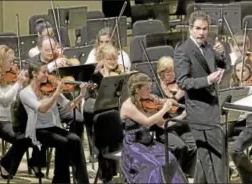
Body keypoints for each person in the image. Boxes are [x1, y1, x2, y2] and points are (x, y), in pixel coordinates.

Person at [174, 11, 227, 183]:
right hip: (198, 109)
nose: (201, 33)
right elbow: (183, 82)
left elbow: (222, 66)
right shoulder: (183, 50)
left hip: (213, 106)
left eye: (204, 29)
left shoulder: (210, 45)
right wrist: (207, 80)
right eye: (197, 28)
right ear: (190, 29)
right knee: (212, 158)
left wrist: (221, 55)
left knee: (210, 154)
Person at [19, 60, 90, 184]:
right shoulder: (25, 93)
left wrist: (81, 95)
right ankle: (61, 180)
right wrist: (57, 92)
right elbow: (42, 109)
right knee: (64, 143)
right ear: (35, 74)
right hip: (37, 130)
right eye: (44, 72)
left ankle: (82, 180)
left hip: (53, 126)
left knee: (75, 140)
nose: (47, 75)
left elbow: (68, 106)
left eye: (47, 71)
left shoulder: (50, 88)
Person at [120, 72, 188, 183]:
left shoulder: (147, 102)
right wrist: (164, 109)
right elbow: (147, 123)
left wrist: (182, 116)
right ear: (138, 90)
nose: (150, 92)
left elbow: (162, 124)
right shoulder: (128, 106)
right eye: (147, 89)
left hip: (149, 143)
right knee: (155, 166)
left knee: (170, 159)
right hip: (134, 145)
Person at [0, 45, 30, 178]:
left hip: (9, 119)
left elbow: (15, 99)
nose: (13, 65)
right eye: (10, 61)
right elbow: (4, 100)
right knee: (23, 138)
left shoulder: (7, 76)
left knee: (30, 134)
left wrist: (23, 86)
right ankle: (6, 165)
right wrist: (18, 84)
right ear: (1, 61)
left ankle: (5, 163)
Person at [83, 44, 124, 183]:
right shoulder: (94, 77)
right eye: (109, 59)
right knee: (106, 132)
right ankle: (106, 175)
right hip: (97, 114)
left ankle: (117, 171)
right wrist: (105, 75)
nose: (113, 62)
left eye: (115, 59)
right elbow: (88, 99)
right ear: (101, 59)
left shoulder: (118, 76)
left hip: (112, 112)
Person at [151, 56, 197, 176]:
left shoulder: (179, 86)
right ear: (160, 74)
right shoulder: (154, 91)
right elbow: (163, 111)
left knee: (195, 144)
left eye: (174, 72)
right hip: (166, 128)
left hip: (182, 126)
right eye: (168, 73)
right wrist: (177, 97)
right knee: (179, 147)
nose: (172, 76)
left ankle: (188, 173)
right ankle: (176, 176)